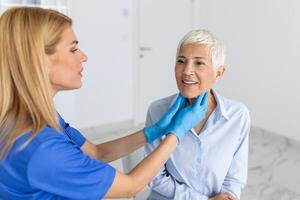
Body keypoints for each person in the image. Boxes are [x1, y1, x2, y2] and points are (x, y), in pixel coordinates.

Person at [0, 7, 209, 199]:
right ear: (39, 60)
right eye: (73, 49)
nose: (84, 57)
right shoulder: (41, 146)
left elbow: (96, 153)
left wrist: (154, 131)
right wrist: (177, 133)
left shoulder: (33, 115)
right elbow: (130, 187)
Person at [145, 29, 251, 200]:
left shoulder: (238, 116)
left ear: (219, 73)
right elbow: (155, 178)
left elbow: (235, 178)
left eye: (199, 63)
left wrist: (228, 196)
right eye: (181, 61)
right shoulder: (158, 110)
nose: (187, 70)